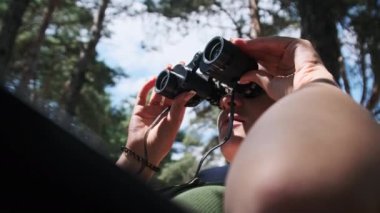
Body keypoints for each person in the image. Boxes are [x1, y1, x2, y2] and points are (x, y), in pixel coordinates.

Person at [116, 36, 380, 212]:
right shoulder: (205, 181)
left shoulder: (306, 187)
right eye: (225, 97)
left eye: (251, 91)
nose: (228, 103)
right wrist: (138, 158)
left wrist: (311, 79)